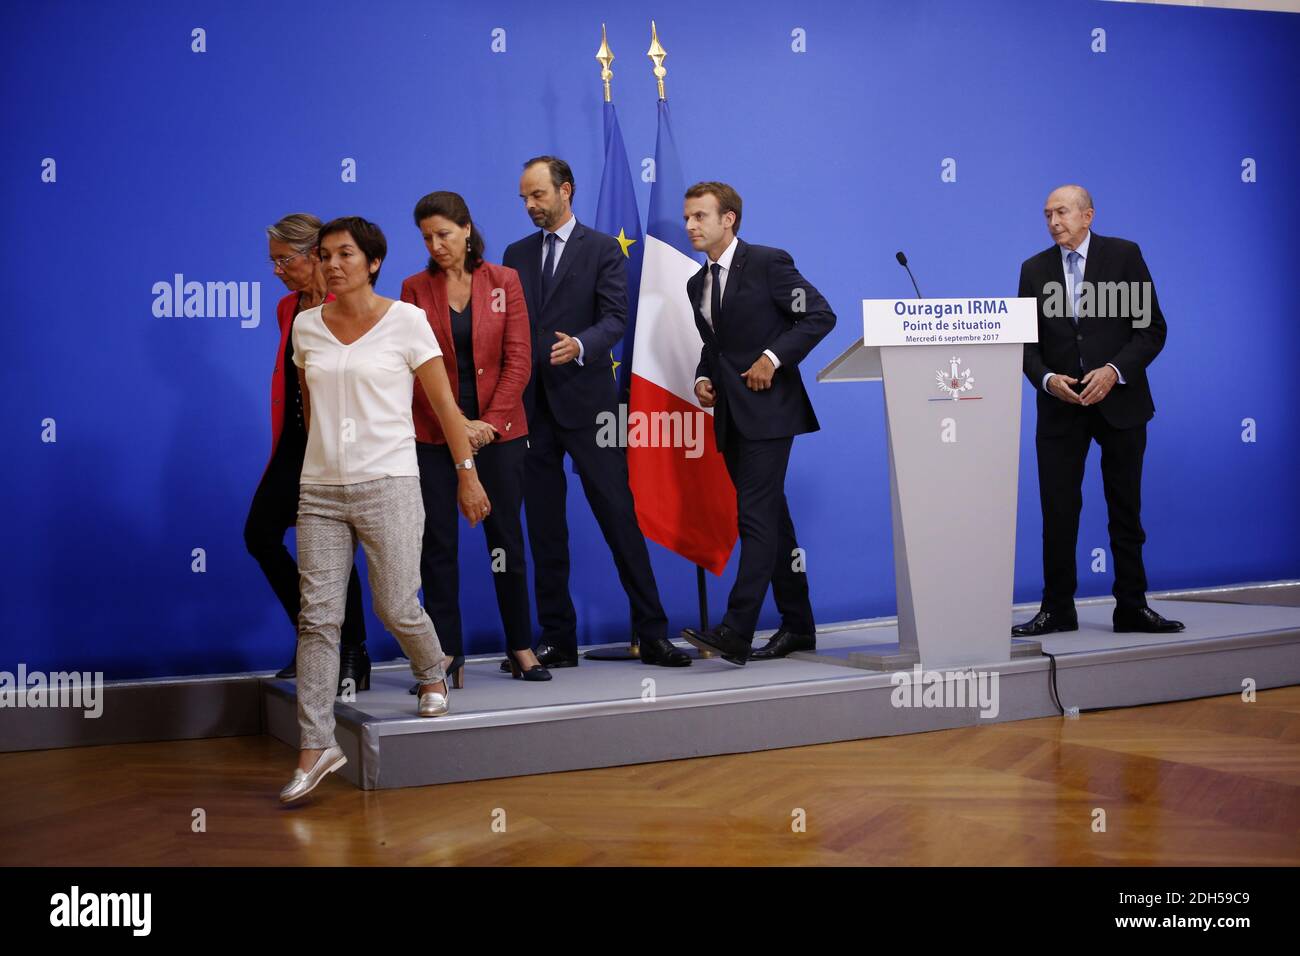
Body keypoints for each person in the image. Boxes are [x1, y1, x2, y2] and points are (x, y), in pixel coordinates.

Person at [280, 216, 490, 804]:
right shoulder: (306, 329)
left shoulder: (407, 321)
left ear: (373, 262)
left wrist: (466, 476)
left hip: (391, 482)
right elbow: (310, 411)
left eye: (345, 254)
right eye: (324, 256)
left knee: (395, 603)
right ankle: (316, 743)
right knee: (318, 618)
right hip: (320, 490)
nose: (333, 265)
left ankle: (431, 669)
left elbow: (445, 406)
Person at [501, 155, 689, 669]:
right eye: (523, 197)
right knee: (545, 530)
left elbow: (615, 319)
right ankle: (558, 640)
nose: (529, 205)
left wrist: (581, 346)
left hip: (591, 408)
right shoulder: (514, 254)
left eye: (537, 195)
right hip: (533, 413)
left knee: (618, 518)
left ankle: (651, 633)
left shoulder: (605, 249)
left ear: (567, 190)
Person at [1012, 185, 1183, 637]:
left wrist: (1113, 370)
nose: (1053, 222)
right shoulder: (1034, 270)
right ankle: (1057, 609)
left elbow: (1151, 329)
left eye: (1062, 212)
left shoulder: (1124, 257)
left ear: (1088, 215)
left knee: (1125, 509)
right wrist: (1048, 380)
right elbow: (1025, 346)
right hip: (1060, 408)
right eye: (1047, 214)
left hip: (1120, 402)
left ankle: (1131, 606)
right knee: (1057, 510)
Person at [676, 182, 836, 664]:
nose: (690, 226)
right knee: (773, 521)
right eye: (687, 217)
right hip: (730, 415)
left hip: (771, 412)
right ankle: (798, 626)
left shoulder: (768, 262)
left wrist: (772, 357)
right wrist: (704, 376)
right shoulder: (696, 284)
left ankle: (736, 630)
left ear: (729, 219)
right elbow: (715, 345)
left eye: (700, 216)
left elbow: (819, 316)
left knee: (755, 519)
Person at [400, 191, 548, 684]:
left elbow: (519, 360)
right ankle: (447, 653)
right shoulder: (415, 289)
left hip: (500, 435)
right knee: (437, 543)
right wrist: (458, 425)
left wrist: (487, 424)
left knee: (505, 541)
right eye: (427, 237)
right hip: (436, 435)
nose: (436, 244)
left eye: (444, 233)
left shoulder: (504, 281)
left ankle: (521, 646)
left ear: (466, 229)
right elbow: (414, 371)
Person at [245, 214, 369, 692]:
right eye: (273, 261)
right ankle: (315, 639)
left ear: (313, 253)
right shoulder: (287, 307)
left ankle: (353, 653)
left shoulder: (351, 305)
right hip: (296, 442)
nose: (276, 270)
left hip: (341, 442)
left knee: (336, 551)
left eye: (283, 260)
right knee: (260, 534)